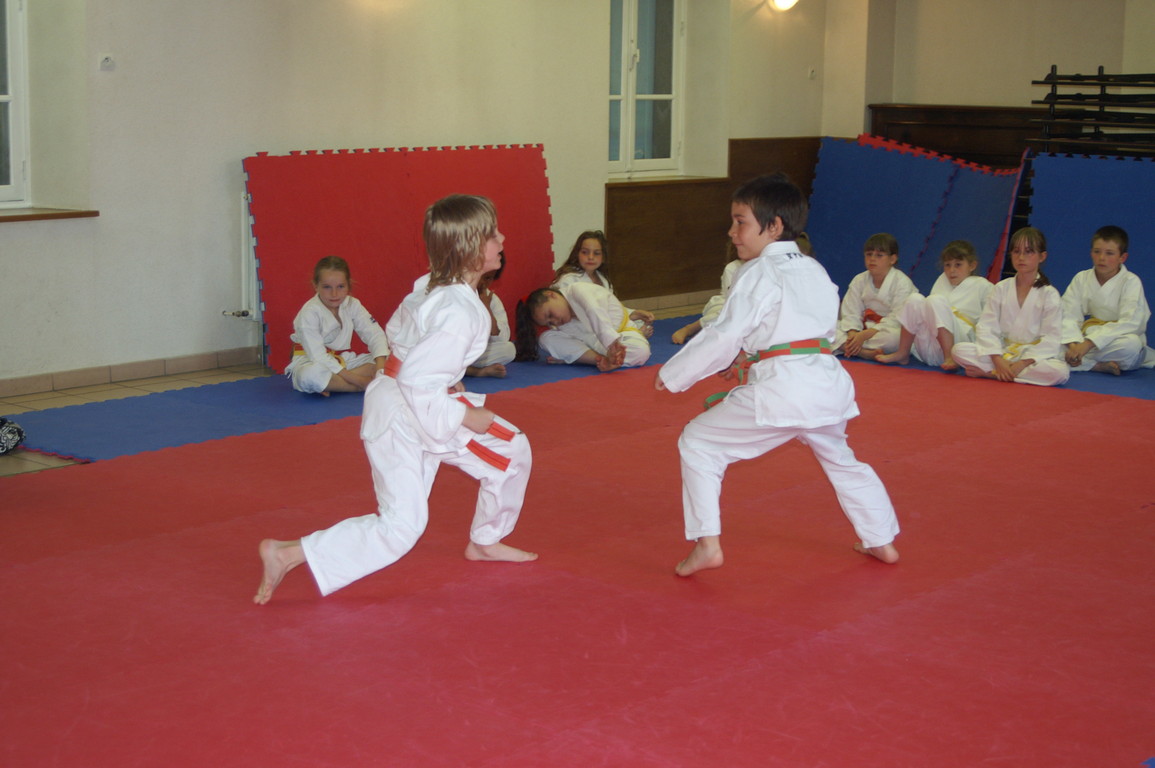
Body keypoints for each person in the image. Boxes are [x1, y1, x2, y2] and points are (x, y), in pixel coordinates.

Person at [255, 195, 537, 605]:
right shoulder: (461, 311)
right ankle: (289, 554)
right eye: (492, 234)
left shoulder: (434, 284)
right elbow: (419, 379)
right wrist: (465, 415)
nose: (502, 239)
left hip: (400, 401)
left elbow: (403, 340)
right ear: (470, 247)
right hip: (410, 412)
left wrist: (446, 379)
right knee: (403, 526)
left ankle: (485, 542)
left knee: (510, 452)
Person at [655, 173, 900, 577]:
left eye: (741, 222)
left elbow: (726, 332)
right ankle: (881, 539)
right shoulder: (814, 269)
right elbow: (805, 331)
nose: (732, 232)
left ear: (773, 226)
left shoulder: (759, 271)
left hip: (784, 388)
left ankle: (707, 544)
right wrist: (749, 355)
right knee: (842, 460)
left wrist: (675, 372)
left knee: (697, 441)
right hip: (826, 382)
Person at [951, 227, 1070, 386]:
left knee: (1059, 372)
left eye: (1028, 252)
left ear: (1042, 256)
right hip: (1003, 352)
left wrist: (1022, 363)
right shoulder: (1001, 288)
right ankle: (1006, 372)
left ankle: (991, 374)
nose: (1021, 257)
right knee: (958, 350)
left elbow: (1052, 337)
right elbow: (986, 327)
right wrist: (997, 360)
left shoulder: (1049, 294)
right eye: (1016, 251)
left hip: (1032, 357)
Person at [876, 240, 994, 370]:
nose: (952, 270)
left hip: (959, 342)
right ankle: (903, 353)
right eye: (947, 265)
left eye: (958, 265)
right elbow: (931, 313)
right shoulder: (942, 280)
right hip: (930, 348)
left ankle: (949, 356)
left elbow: (991, 321)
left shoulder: (983, 285)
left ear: (972, 265)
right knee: (914, 299)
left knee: (935, 300)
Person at [284, 255, 390, 395]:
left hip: (344, 361)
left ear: (348, 285)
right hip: (311, 361)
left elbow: (375, 335)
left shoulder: (352, 304)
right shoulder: (309, 312)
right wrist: (359, 381)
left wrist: (380, 372)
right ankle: (357, 386)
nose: (334, 294)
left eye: (340, 286)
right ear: (316, 286)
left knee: (393, 359)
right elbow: (318, 356)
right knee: (309, 376)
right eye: (327, 287)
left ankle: (333, 384)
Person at [1060, 225, 1155, 375]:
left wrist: (1088, 344)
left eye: (1109, 253)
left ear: (1122, 257)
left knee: (1131, 345)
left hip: (1116, 340)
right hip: (1089, 337)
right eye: (1097, 251)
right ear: (1091, 253)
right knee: (1050, 343)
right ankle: (1095, 365)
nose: (1102, 258)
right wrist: (1073, 346)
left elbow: (1132, 322)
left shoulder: (1131, 281)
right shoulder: (1082, 278)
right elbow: (1067, 314)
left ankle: (1078, 360)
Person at [514, 282, 651, 371]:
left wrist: (611, 344)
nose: (554, 322)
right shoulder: (562, 321)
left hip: (619, 335)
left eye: (550, 315)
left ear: (552, 295)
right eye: (549, 323)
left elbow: (594, 310)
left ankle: (585, 359)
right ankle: (602, 360)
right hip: (595, 345)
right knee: (546, 338)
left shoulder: (578, 290)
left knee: (641, 352)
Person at [553, 230, 655, 337]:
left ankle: (630, 334)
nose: (590, 257)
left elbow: (611, 307)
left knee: (640, 323)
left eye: (596, 253)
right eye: (585, 252)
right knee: (631, 332)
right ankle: (632, 336)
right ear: (577, 254)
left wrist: (632, 314)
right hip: (579, 327)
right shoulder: (568, 280)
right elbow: (563, 316)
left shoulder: (602, 279)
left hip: (602, 324)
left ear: (603, 257)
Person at [833, 233, 918, 359]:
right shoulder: (859, 280)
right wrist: (853, 334)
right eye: (869, 254)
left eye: (879, 255)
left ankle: (847, 347)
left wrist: (865, 335)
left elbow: (897, 319)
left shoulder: (902, 282)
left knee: (895, 339)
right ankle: (862, 352)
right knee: (827, 328)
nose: (872, 259)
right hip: (861, 330)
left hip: (885, 331)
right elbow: (851, 312)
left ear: (892, 259)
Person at [466, 252, 516, 378]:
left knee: (509, 349)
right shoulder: (455, 293)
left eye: (488, 278)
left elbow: (502, 338)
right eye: (479, 276)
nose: (482, 282)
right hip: (450, 348)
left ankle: (464, 369)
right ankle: (475, 371)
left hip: (470, 354)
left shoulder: (491, 299)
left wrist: (486, 308)